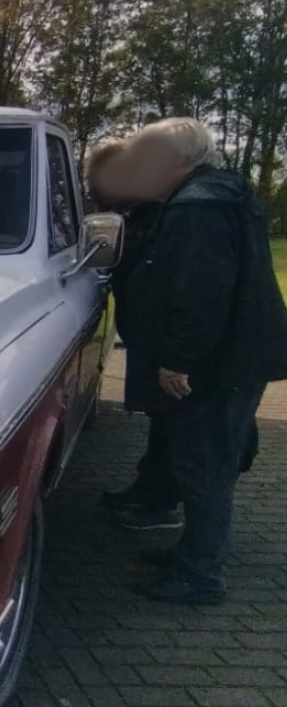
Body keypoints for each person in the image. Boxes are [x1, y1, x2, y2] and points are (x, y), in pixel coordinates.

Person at [113, 117, 287, 604]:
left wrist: (177, 361)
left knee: (205, 466)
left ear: (177, 160)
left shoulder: (197, 208)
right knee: (199, 458)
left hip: (214, 364)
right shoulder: (212, 195)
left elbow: (201, 292)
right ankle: (192, 553)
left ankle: (200, 575)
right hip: (230, 357)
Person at [86, 142, 181, 519]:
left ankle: (161, 503)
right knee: (162, 422)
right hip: (152, 335)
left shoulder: (161, 215)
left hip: (166, 339)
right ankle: (149, 488)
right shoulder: (144, 213)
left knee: (173, 424)